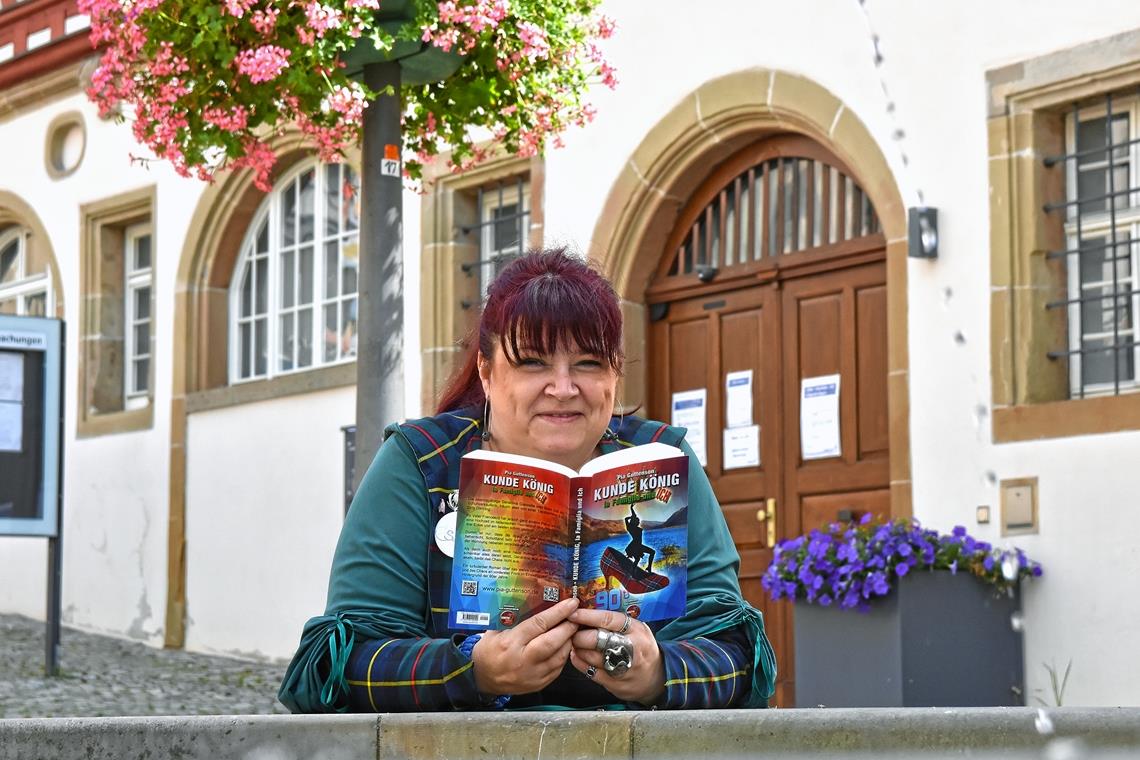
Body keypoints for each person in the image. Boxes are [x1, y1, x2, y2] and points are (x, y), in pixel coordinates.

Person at [278, 248, 776, 712]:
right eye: (534, 362)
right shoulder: (419, 461)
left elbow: (737, 651)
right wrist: (471, 669)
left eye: (588, 363)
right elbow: (337, 662)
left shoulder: (665, 457)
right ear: (487, 373)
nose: (563, 388)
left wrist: (659, 673)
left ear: (615, 375)